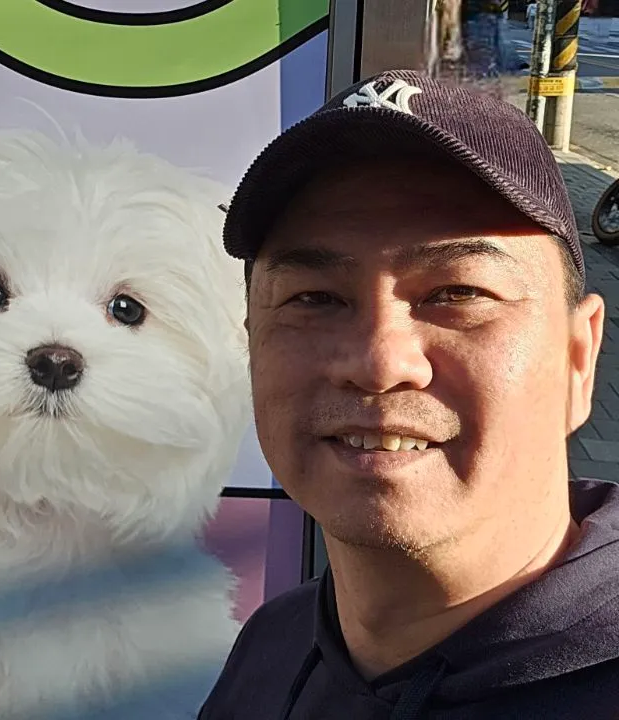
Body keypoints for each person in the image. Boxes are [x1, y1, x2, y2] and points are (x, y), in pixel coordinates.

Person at [199, 70, 618, 719]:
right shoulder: (271, 646)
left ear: (578, 358)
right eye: (315, 298)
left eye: (458, 293)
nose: (378, 363)